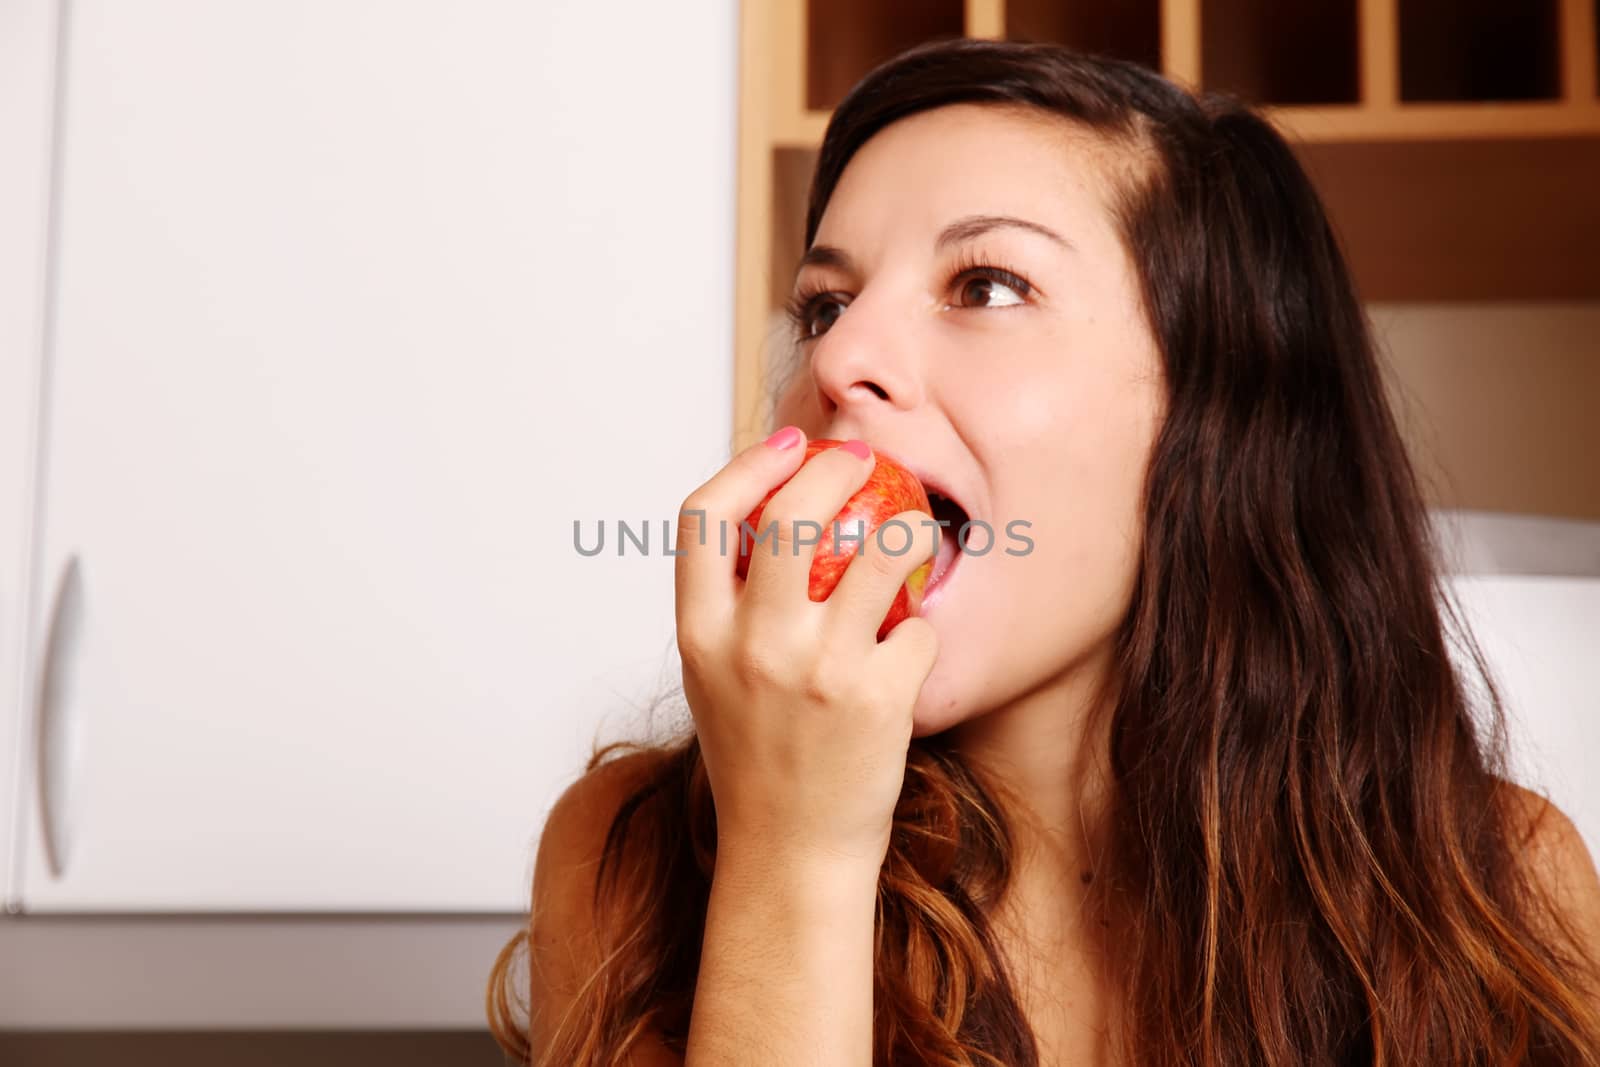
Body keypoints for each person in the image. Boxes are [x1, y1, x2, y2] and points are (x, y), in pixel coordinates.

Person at [489, 37, 1600, 1065]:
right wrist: (790, 852)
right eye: (824, 305)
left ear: (1213, 415)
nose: (842, 356)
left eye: (985, 285)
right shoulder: (630, 859)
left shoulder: (1500, 878)